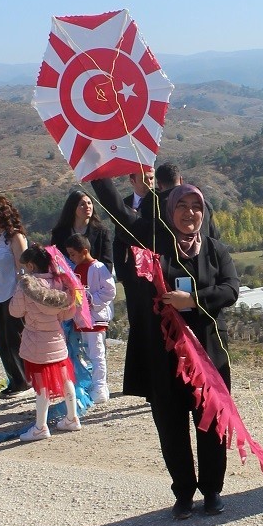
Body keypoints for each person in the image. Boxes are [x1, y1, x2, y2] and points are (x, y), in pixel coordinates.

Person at [91, 176, 240, 519]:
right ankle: (184, 493)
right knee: (172, 428)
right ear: (170, 211)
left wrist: (193, 300)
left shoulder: (214, 250)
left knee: (212, 425)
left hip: (208, 359)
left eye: (197, 207)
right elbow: (118, 211)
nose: (190, 213)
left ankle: (212, 490)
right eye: (183, 206)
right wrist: (97, 169)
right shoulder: (153, 244)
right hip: (165, 359)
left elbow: (231, 289)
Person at [9, 245, 80, 441]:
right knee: (66, 379)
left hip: (36, 342)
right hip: (57, 339)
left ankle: (40, 427)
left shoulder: (27, 286)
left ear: (30, 265)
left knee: (41, 385)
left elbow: (14, 311)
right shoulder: (61, 284)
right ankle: (72, 418)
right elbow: (67, 313)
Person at [111, 168, 155, 398]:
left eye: (151, 178)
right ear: (131, 180)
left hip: (156, 277)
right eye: (144, 179)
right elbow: (118, 243)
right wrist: (122, 275)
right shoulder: (124, 205)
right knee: (138, 325)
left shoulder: (160, 202)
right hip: (133, 278)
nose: (149, 183)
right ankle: (140, 381)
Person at [0, 195, 29, 396]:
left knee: (15, 339)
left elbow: (23, 268)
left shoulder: (15, 237)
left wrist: (22, 295)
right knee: (2, 340)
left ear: (5, 213)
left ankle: (25, 380)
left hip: (13, 294)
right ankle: (14, 379)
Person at [65, 233, 116, 404]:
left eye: (73, 254)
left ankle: (101, 387)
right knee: (86, 354)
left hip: (95, 319)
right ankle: (91, 384)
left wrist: (90, 299)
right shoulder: (75, 269)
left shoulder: (99, 268)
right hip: (81, 319)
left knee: (97, 354)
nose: (71, 257)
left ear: (84, 251)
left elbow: (110, 291)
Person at [51, 190, 113, 273]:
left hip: (95, 280)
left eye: (89, 203)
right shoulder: (59, 234)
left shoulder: (102, 232)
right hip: (68, 282)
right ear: (73, 208)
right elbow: (55, 260)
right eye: (82, 204)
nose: (87, 207)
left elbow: (107, 263)